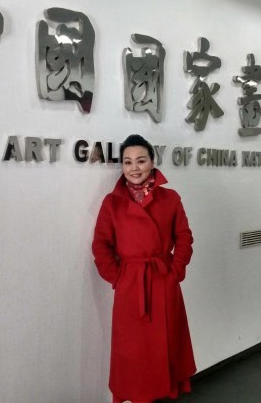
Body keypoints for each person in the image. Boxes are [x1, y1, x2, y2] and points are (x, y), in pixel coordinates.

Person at [92, 134, 196, 403]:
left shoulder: (170, 198)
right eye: (127, 162)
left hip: (162, 281)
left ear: (152, 162)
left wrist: (175, 272)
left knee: (164, 347)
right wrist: (118, 277)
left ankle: (162, 393)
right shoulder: (112, 202)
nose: (134, 168)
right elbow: (101, 245)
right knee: (133, 351)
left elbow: (184, 237)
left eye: (140, 160)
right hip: (130, 286)